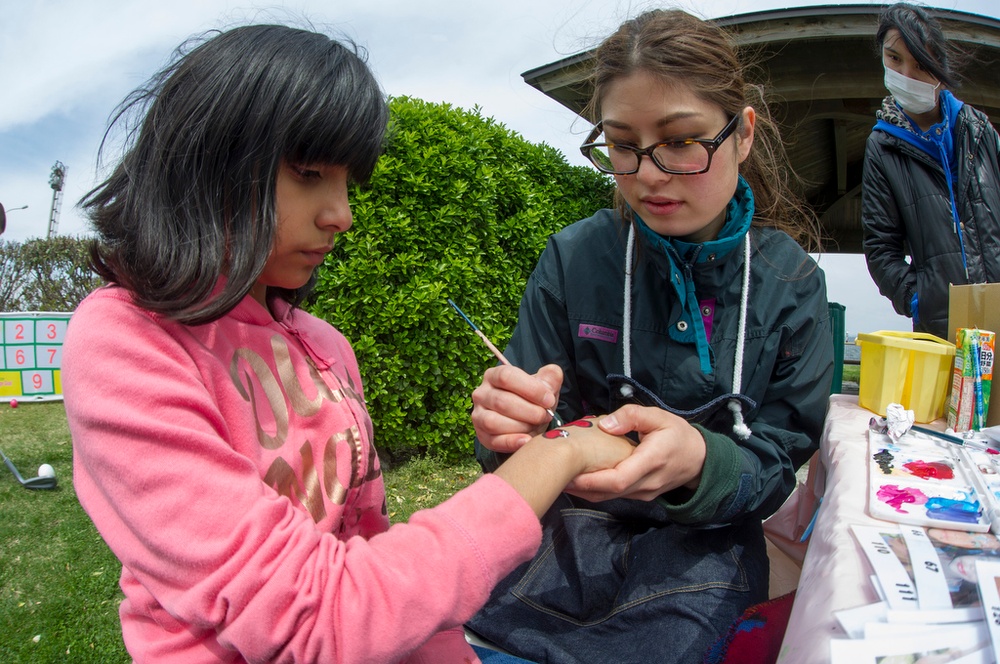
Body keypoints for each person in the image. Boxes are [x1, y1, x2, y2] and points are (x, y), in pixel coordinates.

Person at [60, 24, 638, 664]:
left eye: (346, 183)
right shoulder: (127, 341)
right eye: (309, 173)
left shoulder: (326, 346)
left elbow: (372, 555)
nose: (342, 213)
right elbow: (319, 620)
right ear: (207, 160)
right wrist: (557, 454)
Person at [464, 8, 834, 663]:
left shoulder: (789, 281)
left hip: (705, 552)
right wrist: (505, 431)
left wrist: (702, 464)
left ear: (741, 134)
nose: (649, 173)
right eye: (622, 145)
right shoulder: (574, 258)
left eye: (682, 141)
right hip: (564, 546)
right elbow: (518, 449)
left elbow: (776, 465)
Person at [861, 2, 1000, 342]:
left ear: (939, 65)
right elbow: (881, 248)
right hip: (940, 330)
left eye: (920, 63)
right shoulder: (882, 146)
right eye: (894, 58)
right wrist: (920, 299)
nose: (906, 74)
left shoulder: (979, 130)